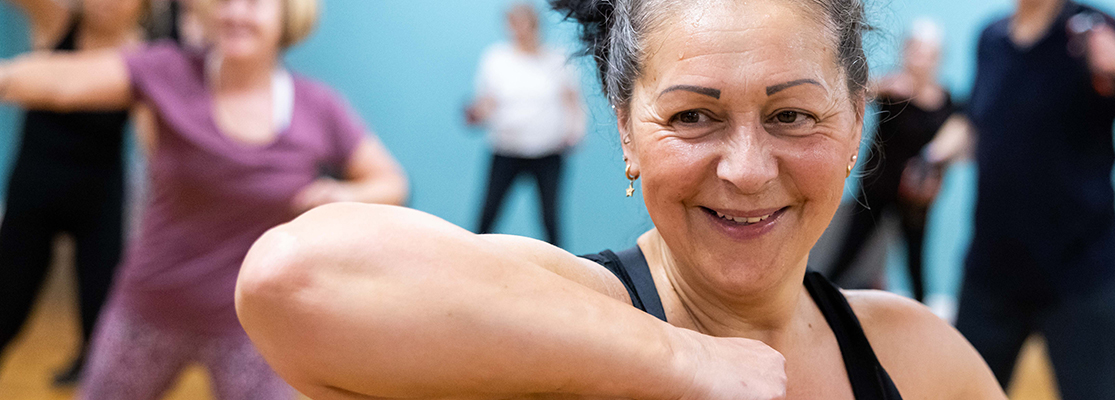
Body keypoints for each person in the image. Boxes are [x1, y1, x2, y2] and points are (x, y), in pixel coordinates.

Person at [233, 0, 1006, 399]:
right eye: (694, 117)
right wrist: (683, 361)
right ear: (626, 130)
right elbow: (294, 278)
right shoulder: (564, 322)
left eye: (791, 115)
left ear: (856, 122)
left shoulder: (916, 358)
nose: (744, 169)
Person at [0, 0, 408, 397]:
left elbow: (390, 181)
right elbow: (64, 81)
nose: (236, 13)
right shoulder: (168, 70)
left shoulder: (318, 106)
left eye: (253, 3)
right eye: (225, 1)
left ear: (285, 15)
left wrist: (340, 194)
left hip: (253, 326)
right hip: (149, 309)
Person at [938, 0, 1115, 398]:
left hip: (1080, 275)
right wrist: (933, 159)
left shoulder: (1094, 29)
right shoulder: (990, 38)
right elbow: (975, 120)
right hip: (992, 270)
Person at [0, 0, 145, 387]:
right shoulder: (56, 21)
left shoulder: (144, 53)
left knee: (101, 313)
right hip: (35, 192)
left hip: (99, 197)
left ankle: (88, 371)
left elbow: (155, 141)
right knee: (7, 304)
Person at [824, 18, 964, 302]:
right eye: (915, 50)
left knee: (915, 260)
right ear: (905, 51)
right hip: (876, 188)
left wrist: (936, 160)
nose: (920, 58)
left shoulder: (947, 101)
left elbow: (958, 139)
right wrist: (883, 85)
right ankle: (819, 296)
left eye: (927, 52)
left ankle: (924, 316)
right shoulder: (893, 90)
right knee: (849, 249)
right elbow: (850, 98)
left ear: (938, 57)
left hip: (915, 197)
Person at [464, 2, 586, 246]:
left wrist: (575, 132)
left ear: (536, 25)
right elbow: (487, 101)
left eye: (524, 23)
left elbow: (572, 99)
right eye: (512, 23)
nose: (518, 29)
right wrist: (478, 114)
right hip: (506, 149)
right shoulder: (496, 58)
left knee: (550, 220)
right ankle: (470, 263)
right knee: (487, 216)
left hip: (547, 152)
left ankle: (561, 273)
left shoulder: (557, 59)